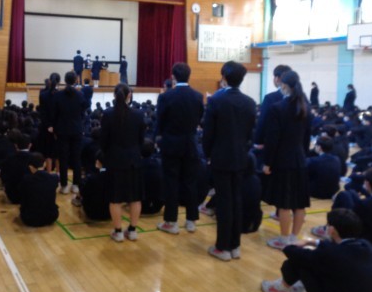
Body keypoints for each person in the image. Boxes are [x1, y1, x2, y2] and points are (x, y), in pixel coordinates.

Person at [261, 209, 372, 292]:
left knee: (300, 262)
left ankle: (283, 289)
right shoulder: (366, 245)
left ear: (332, 230)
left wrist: (295, 244)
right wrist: (312, 242)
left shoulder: (331, 254)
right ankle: (296, 289)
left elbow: (290, 251)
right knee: (315, 265)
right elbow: (330, 248)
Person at [202, 61, 256, 261]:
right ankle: (235, 246)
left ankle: (222, 247)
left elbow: (208, 133)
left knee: (224, 202)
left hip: (221, 158)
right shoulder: (250, 102)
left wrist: (208, 154)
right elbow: (250, 134)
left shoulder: (216, 100)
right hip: (241, 157)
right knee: (236, 200)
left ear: (223, 77)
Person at [263, 70, 312, 249]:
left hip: (283, 161)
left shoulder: (278, 108)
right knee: (299, 203)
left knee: (284, 203)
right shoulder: (305, 107)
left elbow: (272, 139)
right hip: (300, 159)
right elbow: (306, 138)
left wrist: (268, 162)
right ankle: (293, 237)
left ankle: (283, 240)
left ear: (283, 85)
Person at [156, 62, 204, 234]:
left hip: (171, 144)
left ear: (173, 76)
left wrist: (159, 138)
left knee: (171, 182)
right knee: (190, 182)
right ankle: (191, 220)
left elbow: (160, 121)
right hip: (190, 144)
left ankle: (171, 222)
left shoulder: (166, 97)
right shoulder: (198, 96)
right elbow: (199, 118)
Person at [99, 83, 146, 242]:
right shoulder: (138, 114)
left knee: (115, 198)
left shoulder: (108, 114)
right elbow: (141, 140)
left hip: (114, 160)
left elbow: (103, 141)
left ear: (114, 95)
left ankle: (118, 232)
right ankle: (132, 231)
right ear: (129, 96)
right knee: (135, 198)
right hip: (134, 160)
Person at [50, 71, 87, 194]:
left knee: (63, 158)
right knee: (77, 158)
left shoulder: (58, 95)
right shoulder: (80, 94)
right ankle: (76, 184)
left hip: (62, 130)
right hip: (77, 129)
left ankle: (64, 185)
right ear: (76, 80)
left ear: (65, 80)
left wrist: (55, 128)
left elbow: (54, 114)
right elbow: (84, 111)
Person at [19, 152, 60, 227]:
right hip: (51, 217)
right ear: (44, 164)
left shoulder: (26, 180)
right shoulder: (54, 178)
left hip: (30, 219)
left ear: (30, 166)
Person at [306, 136, 341, 200]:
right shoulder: (337, 159)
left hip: (316, 193)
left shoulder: (313, 161)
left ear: (319, 147)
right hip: (333, 191)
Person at [39, 73, 60, 172]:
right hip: (59, 127)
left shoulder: (43, 95)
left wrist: (49, 126)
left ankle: (48, 174)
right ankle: (59, 175)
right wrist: (56, 126)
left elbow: (42, 113)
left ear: (50, 81)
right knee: (58, 152)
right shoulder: (61, 94)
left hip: (46, 127)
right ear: (59, 82)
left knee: (48, 152)